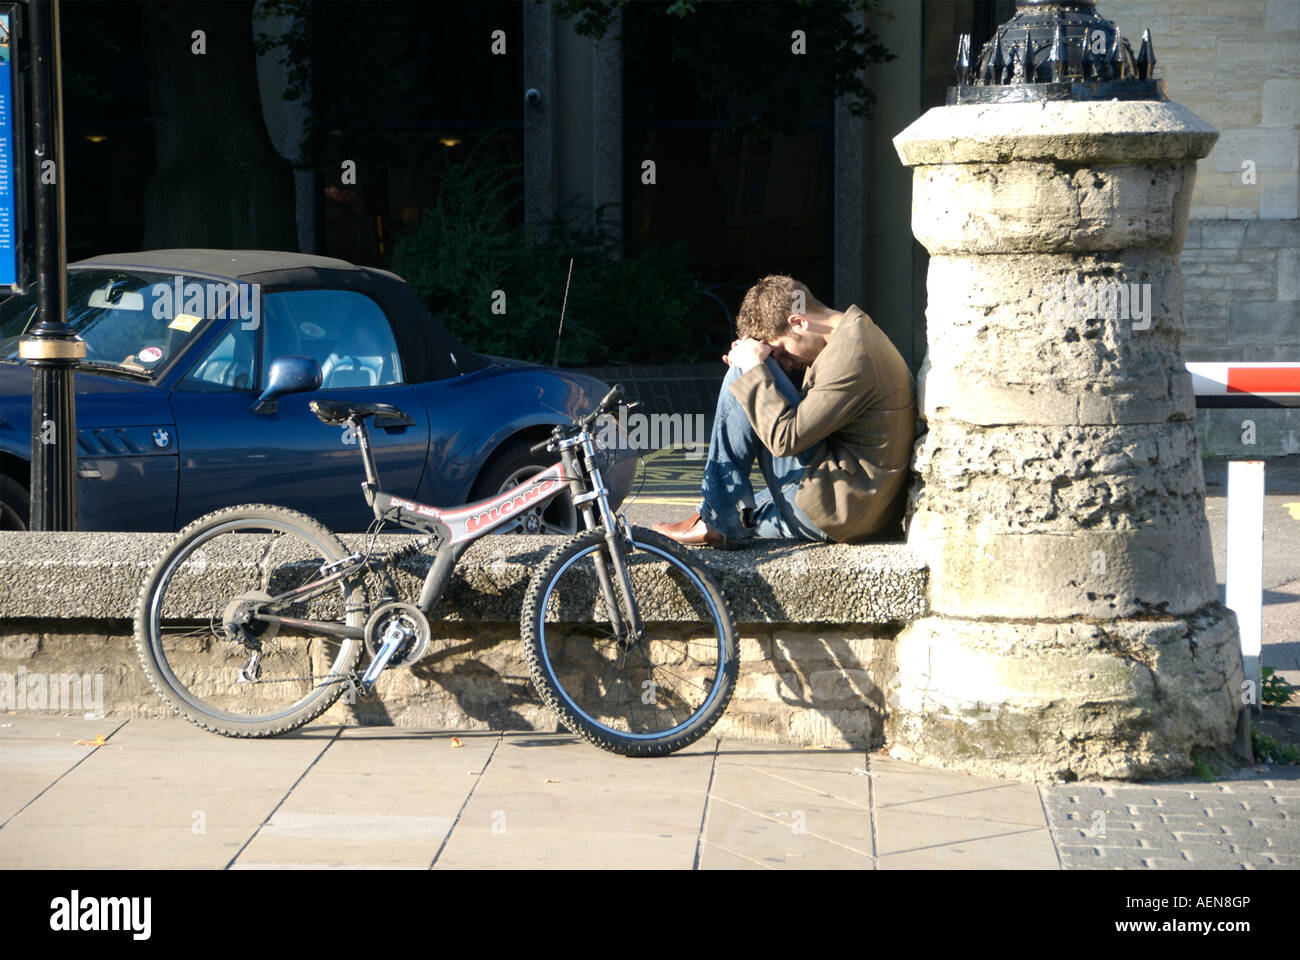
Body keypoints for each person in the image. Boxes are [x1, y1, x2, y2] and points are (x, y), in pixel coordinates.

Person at [652, 275, 915, 547]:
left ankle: (716, 520)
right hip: (861, 503)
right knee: (748, 374)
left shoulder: (851, 356)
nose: (787, 365)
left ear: (798, 322)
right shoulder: (853, 333)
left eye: (780, 351)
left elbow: (785, 438)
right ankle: (719, 517)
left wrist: (752, 369)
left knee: (742, 373)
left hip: (844, 511)